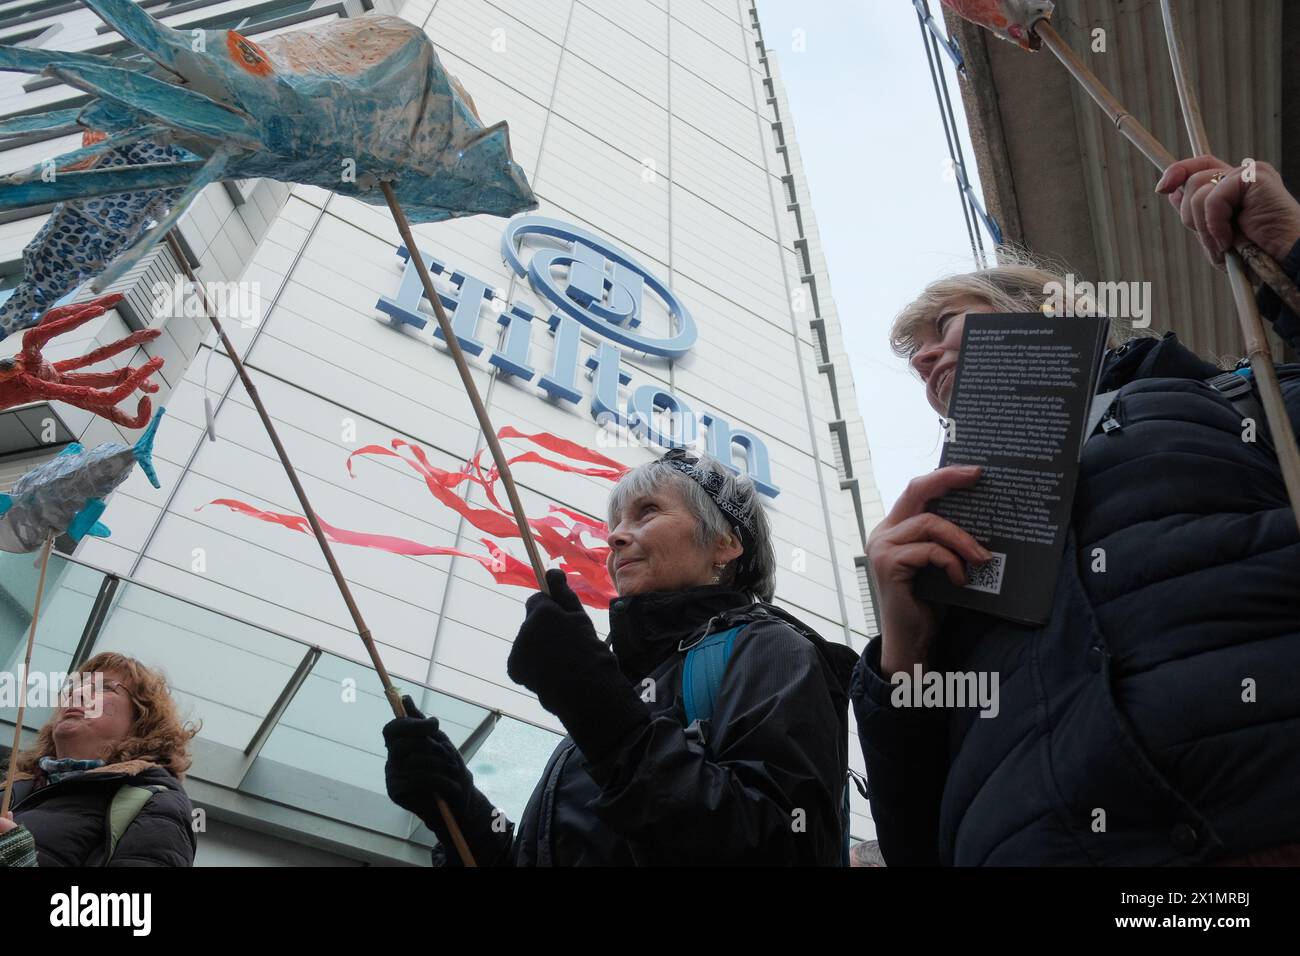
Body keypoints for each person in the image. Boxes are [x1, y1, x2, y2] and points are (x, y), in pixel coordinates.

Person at [852, 155, 1300, 865]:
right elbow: (917, 840)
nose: (924, 359)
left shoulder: (1235, 401)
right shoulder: (940, 542)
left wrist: (1288, 256)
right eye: (917, 357)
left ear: (1044, 312)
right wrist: (901, 655)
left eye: (945, 324)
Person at [384, 447, 860, 865]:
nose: (615, 539)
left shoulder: (771, 650)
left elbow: (780, 845)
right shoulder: (627, 692)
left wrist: (596, 707)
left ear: (725, 543)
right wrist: (457, 805)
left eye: (647, 512)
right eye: (616, 525)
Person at [0, 651, 199, 866]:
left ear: (142, 719)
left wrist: (21, 862)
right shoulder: (13, 787)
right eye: (74, 688)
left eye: (105, 688)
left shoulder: (155, 801)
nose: (78, 694)